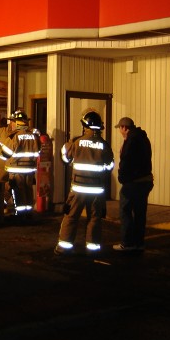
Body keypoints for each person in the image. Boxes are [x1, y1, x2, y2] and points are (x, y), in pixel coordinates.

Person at [54, 109, 114, 255]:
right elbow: (109, 167)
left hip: (78, 189)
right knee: (95, 218)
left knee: (71, 216)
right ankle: (92, 248)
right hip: (96, 190)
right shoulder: (105, 145)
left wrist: (67, 145)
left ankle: (64, 247)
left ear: (85, 126)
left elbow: (65, 159)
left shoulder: (76, 142)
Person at [112, 116, 154, 252]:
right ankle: (139, 243)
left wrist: (122, 178)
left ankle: (127, 242)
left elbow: (126, 161)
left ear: (124, 128)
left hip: (133, 182)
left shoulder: (131, 140)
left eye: (120, 128)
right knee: (140, 213)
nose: (120, 131)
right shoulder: (143, 138)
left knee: (125, 211)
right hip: (146, 180)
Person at [0, 109, 41, 222]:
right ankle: (28, 213)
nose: (12, 123)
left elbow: (6, 153)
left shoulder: (14, 136)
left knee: (18, 191)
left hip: (16, 169)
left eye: (13, 121)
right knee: (28, 190)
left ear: (18, 122)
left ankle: (20, 216)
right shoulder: (34, 136)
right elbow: (38, 151)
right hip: (30, 169)